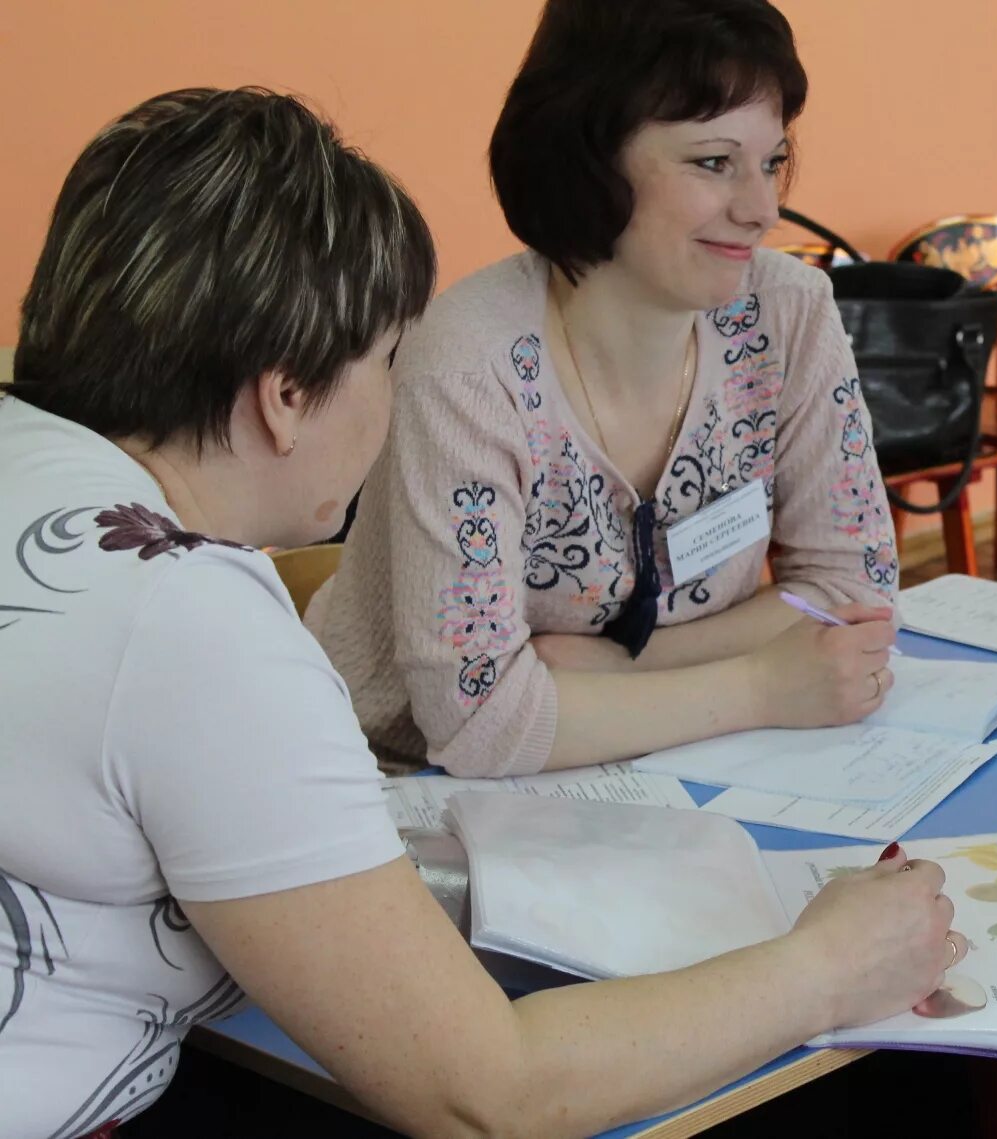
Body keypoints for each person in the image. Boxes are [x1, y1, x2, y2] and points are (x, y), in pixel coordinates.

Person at [0, 86, 962, 1139]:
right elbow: (487, 1094)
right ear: (284, 395)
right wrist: (824, 968)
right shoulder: (195, 624)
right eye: (384, 361)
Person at [308, 0, 900, 778]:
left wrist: (622, 665)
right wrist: (761, 684)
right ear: (587, 158)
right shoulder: (465, 370)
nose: (761, 210)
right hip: (406, 786)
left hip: (675, 761)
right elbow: (481, 722)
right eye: (713, 162)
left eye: (772, 161)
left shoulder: (787, 312)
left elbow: (852, 592)